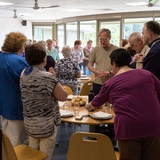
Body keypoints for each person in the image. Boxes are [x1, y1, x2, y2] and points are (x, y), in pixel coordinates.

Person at [87, 48, 160, 160]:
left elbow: (94, 104)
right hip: (154, 124)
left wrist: (87, 106)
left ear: (114, 64)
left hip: (129, 127)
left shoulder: (110, 83)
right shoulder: (147, 74)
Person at [20, 43, 68, 160]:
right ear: (43, 58)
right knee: (45, 156)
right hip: (46, 125)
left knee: (33, 155)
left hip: (30, 123)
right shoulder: (47, 77)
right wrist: (54, 78)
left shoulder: (23, 74)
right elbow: (63, 96)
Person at [0, 32, 28, 147]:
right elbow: (30, 81)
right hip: (16, 108)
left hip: (3, 106)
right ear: (19, 45)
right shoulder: (18, 61)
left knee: (6, 142)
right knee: (16, 144)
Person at [88, 28, 118, 95]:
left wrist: (109, 73)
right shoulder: (96, 49)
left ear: (109, 38)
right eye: (100, 39)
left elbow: (120, 68)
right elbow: (90, 65)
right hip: (98, 83)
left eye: (104, 39)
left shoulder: (116, 50)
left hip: (112, 83)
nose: (102, 42)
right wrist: (97, 72)